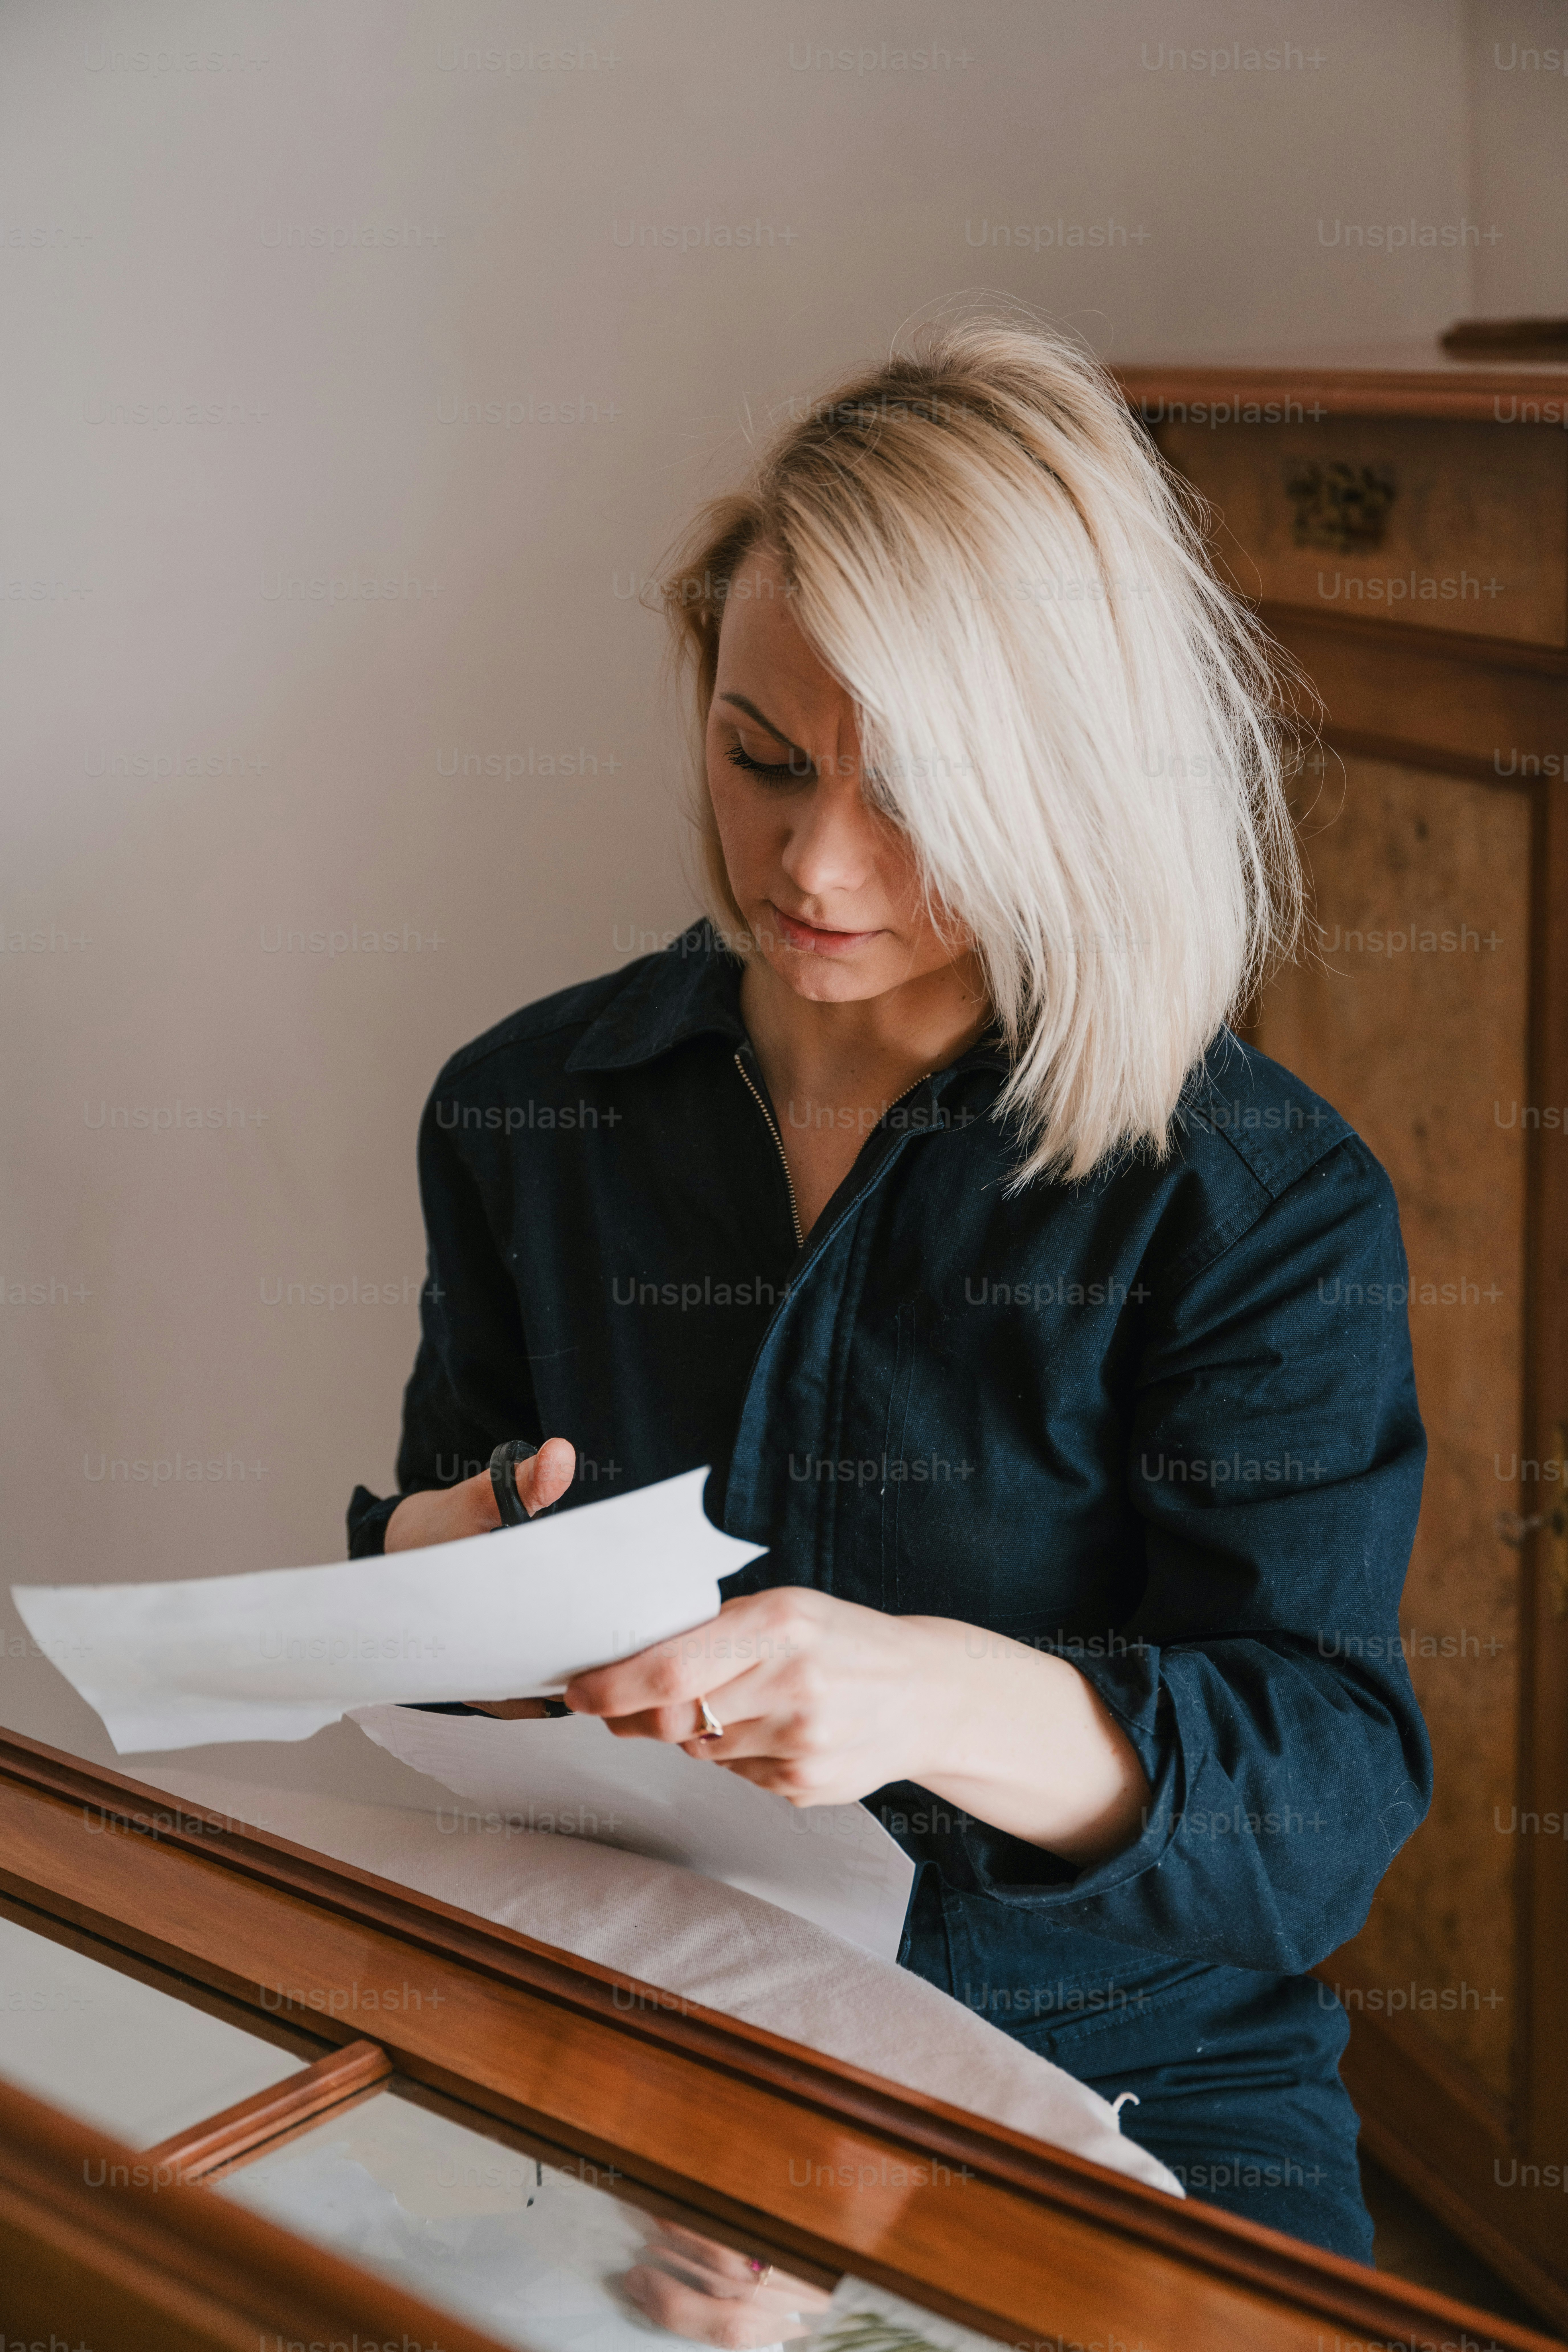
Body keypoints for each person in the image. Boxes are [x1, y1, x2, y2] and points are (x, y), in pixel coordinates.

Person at [348, 321, 1430, 2287]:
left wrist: (928, 1693)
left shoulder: (1256, 1202)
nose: (814, 863)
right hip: (657, 2004)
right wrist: (449, 1558)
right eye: (764, 759)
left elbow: (1323, 1811)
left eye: (917, 796)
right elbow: (457, 1655)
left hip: (1119, 2067)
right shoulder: (530, 1110)